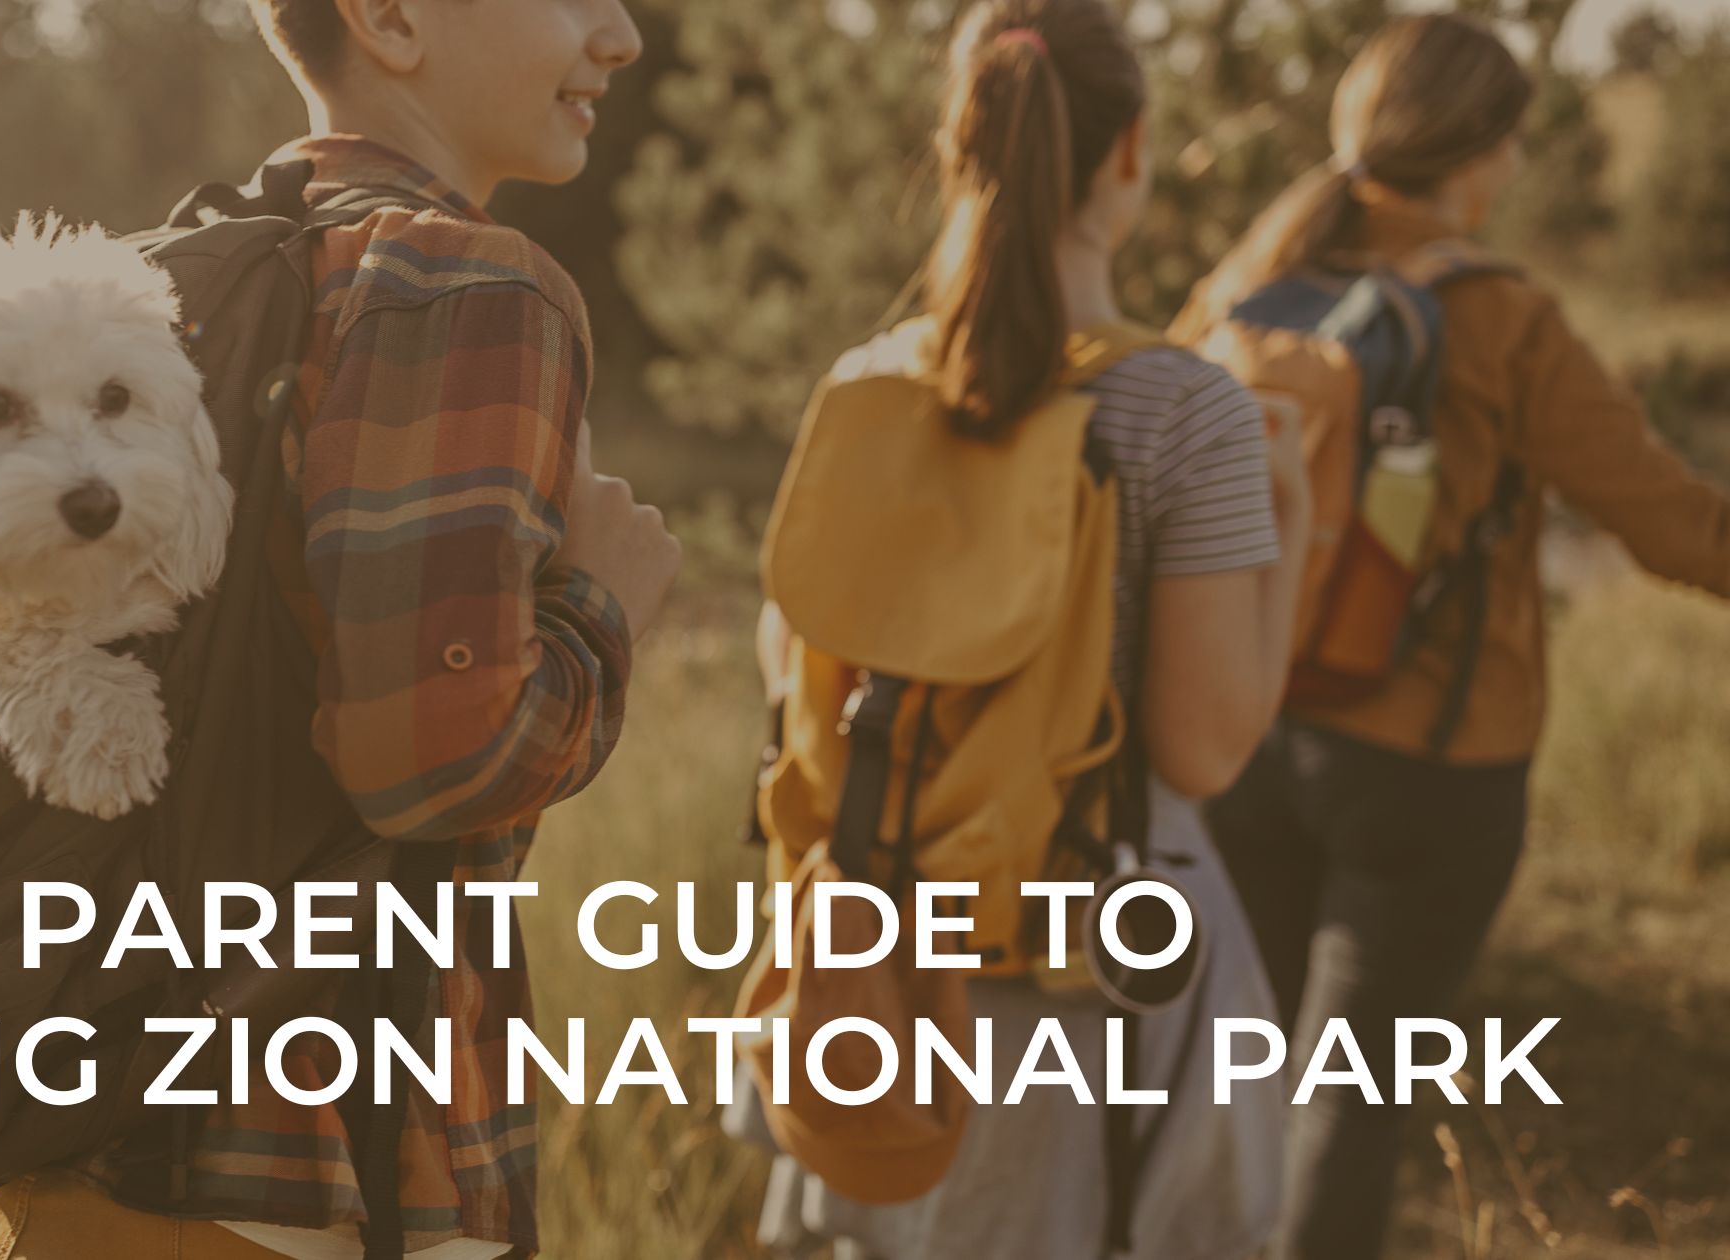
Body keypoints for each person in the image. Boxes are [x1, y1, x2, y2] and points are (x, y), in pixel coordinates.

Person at [0, 0, 678, 1256]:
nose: (620, 38)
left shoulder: (121, 290)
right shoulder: (471, 284)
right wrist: (602, 605)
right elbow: (436, 759)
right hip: (303, 1182)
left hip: (43, 1154)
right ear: (387, 18)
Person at [732, 0, 1310, 1255]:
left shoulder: (863, 382)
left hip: (877, 964)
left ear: (955, 147)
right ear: (1131, 150)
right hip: (1094, 973)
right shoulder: (1188, 415)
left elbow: (793, 666)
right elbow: (1203, 751)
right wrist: (1295, 524)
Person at [1176, 15, 1730, 1260]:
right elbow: (1665, 522)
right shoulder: (1498, 315)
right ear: (1481, 149)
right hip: (1426, 765)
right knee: (1349, 1097)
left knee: (1240, 1083)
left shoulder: (1243, 278)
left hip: (1239, 735)